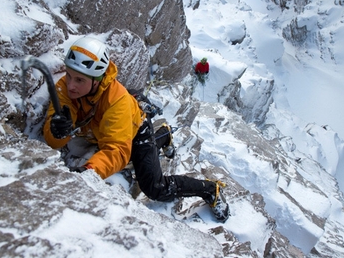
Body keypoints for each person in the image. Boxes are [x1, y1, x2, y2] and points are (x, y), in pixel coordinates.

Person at [43, 36, 230, 222]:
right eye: (68, 75)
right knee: (136, 157)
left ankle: (210, 189)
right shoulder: (65, 89)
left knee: (155, 188)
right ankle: (164, 135)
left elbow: (117, 150)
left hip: (137, 131)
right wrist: (58, 132)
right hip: (107, 131)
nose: (70, 85)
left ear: (97, 80)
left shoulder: (117, 102)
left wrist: (89, 171)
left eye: (79, 80)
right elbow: (54, 139)